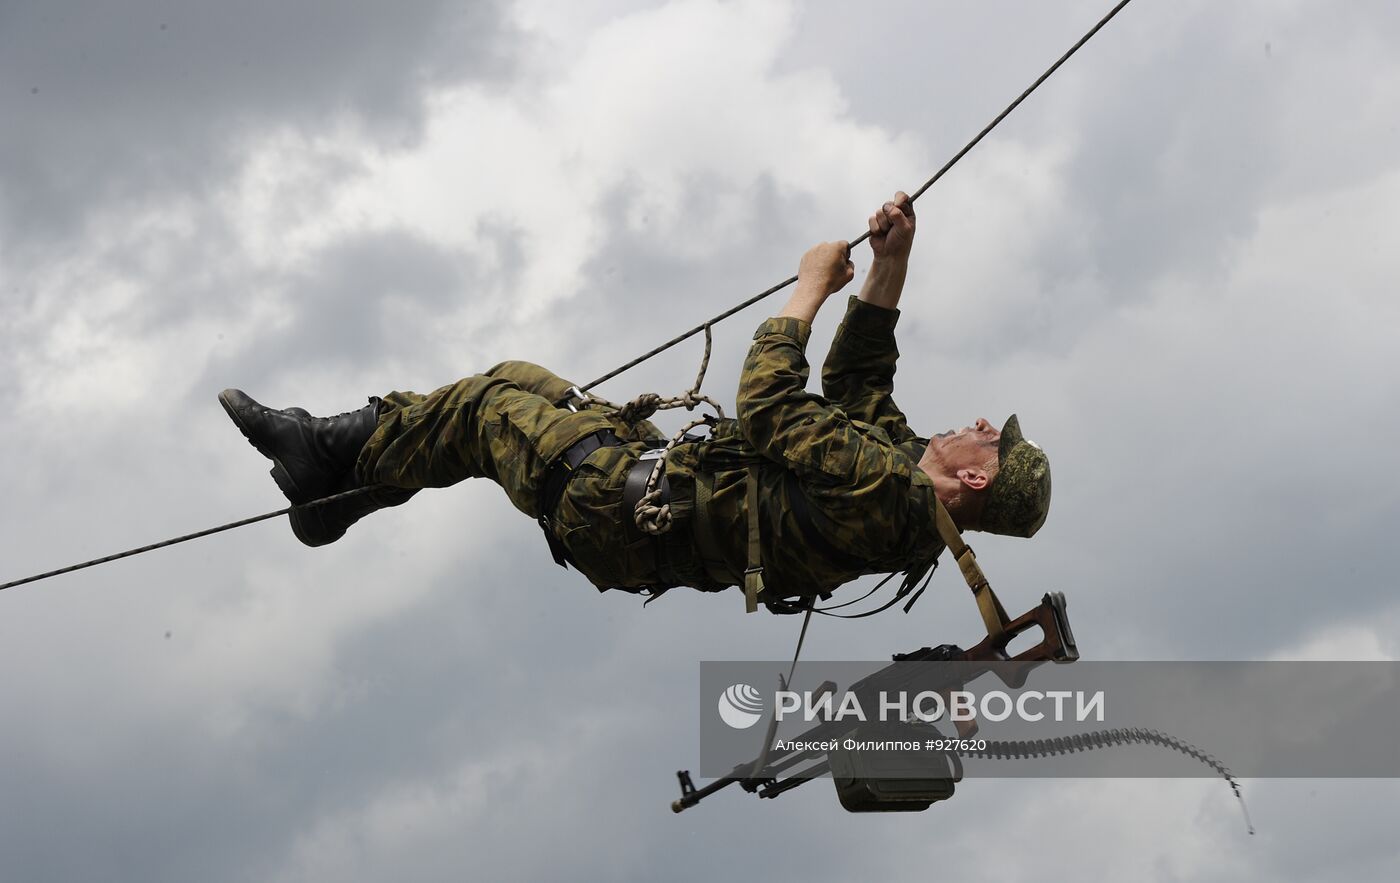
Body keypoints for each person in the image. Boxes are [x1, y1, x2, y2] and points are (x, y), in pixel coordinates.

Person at [219, 193, 1050, 613]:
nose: (981, 424)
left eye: (993, 441)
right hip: (638, 509)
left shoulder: (883, 488)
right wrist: (890, 261)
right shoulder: (900, 491)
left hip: (612, 510)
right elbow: (860, 384)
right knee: (524, 379)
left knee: (486, 408)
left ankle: (316, 445)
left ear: (977, 482)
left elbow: (768, 407)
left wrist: (805, 290)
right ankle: (336, 489)